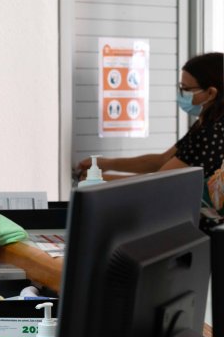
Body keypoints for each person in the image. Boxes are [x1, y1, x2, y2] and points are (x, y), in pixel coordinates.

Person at [76, 52, 224, 230]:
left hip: (204, 232)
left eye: (186, 89)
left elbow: (157, 185)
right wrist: (106, 164)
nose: (181, 95)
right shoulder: (205, 123)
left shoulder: (213, 133)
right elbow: (162, 160)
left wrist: (100, 180)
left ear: (210, 93)